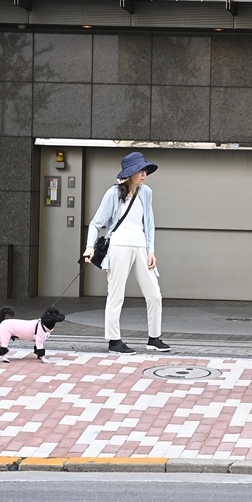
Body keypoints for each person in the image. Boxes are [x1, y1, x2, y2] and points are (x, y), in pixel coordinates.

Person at [84, 151, 169, 355]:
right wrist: (89, 247)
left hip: (140, 247)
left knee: (154, 294)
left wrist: (151, 250)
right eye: (140, 170)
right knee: (116, 295)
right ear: (129, 173)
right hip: (119, 246)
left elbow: (149, 224)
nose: (144, 174)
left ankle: (154, 338)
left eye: (145, 170)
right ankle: (114, 341)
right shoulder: (113, 194)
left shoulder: (146, 192)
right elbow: (96, 223)